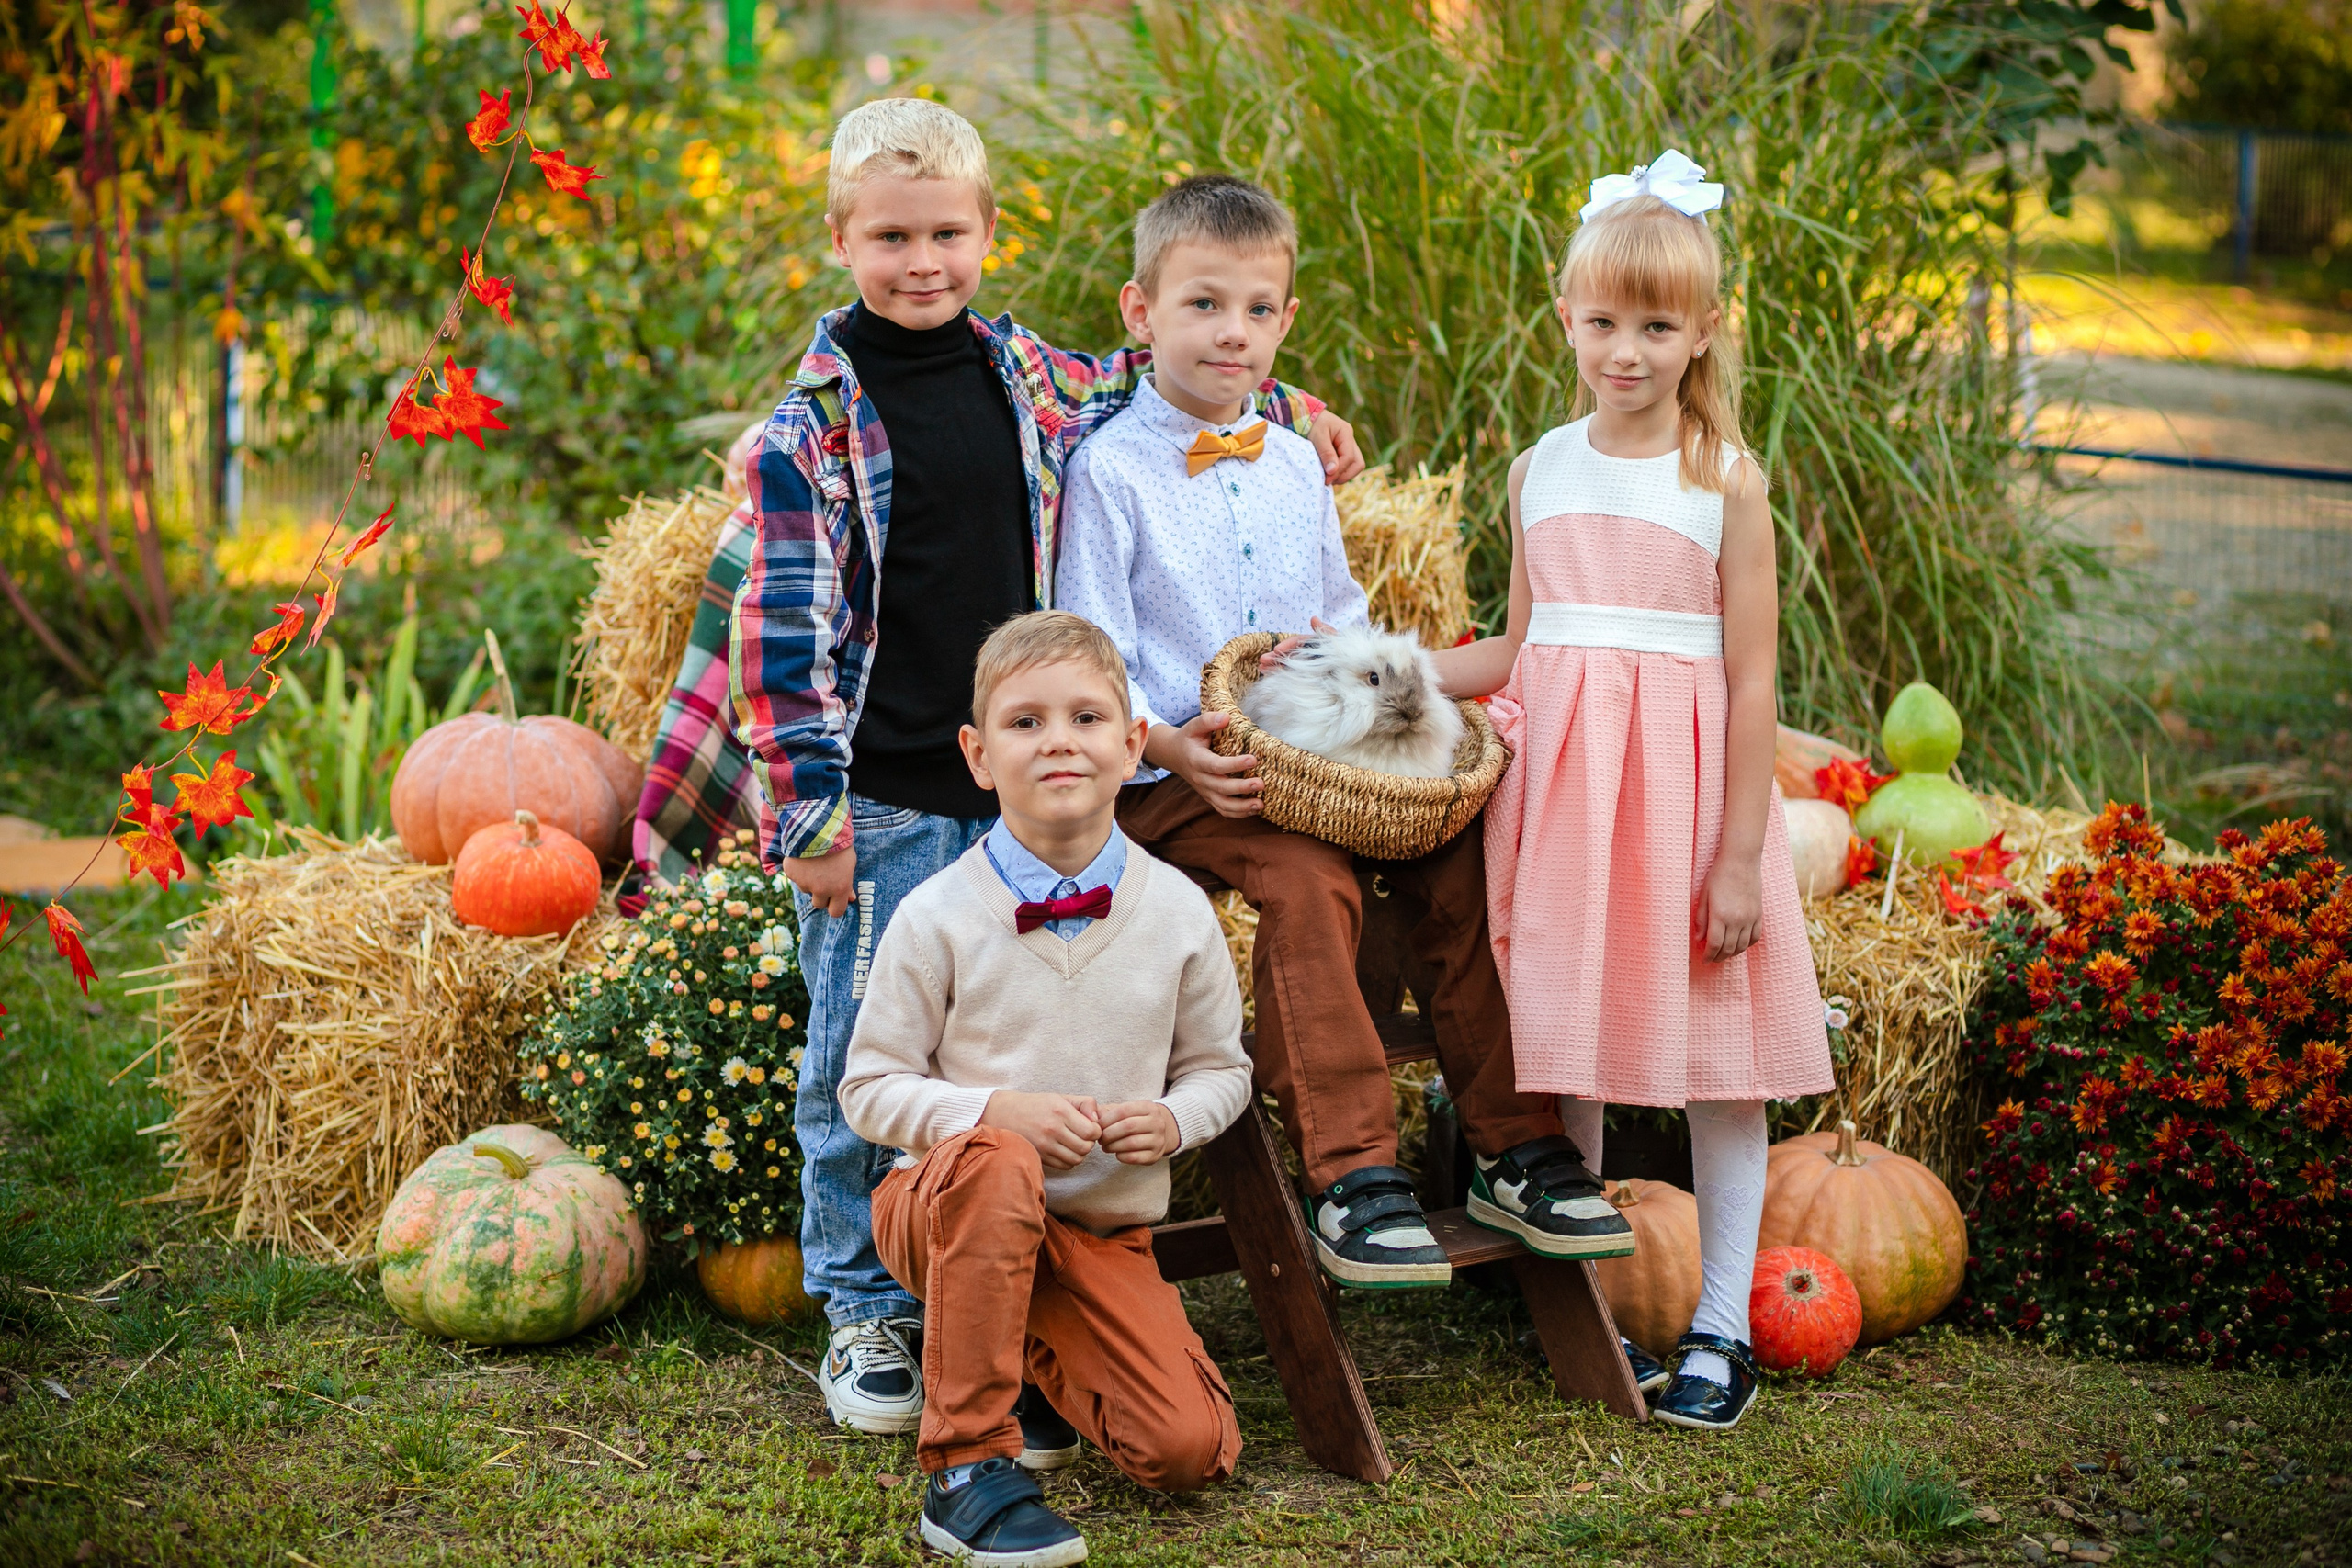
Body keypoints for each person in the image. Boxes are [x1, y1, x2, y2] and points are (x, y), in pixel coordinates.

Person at [729, 99, 1363, 1436]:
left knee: (1015, 1029)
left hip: (1032, 785)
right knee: (865, 1041)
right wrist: (811, 812)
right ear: (841, 238)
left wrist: (1298, 409)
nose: (922, 262)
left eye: (947, 233)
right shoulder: (809, 430)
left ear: (986, 234)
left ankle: (1006, 1279)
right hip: (892, 790)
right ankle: (865, 1308)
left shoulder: (1027, 371)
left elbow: (1176, 364)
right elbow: (780, 635)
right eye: (890, 236)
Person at [1056, 174, 1636, 1292]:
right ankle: (1349, 1174)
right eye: (1204, 305)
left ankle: (1514, 1145)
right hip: (1188, 779)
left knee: (1462, 852)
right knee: (1305, 873)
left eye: (1259, 309)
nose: (1234, 332)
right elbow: (1094, 656)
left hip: (1316, 762)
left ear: (1287, 319)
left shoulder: (1289, 463)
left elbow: (1341, 618)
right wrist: (1173, 749)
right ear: (1140, 313)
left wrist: (1390, 717)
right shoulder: (1108, 471)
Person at [1433, 152, 1835, 1431]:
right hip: (1562, 800)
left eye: (1658, 325)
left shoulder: (1727, 480)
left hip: (1685, 801)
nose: (1627, 349)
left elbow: (1755, 675)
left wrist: (1735, 856)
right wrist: (1377, 673)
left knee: (1722, 1060)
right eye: (1603, 321)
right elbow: (1520, 646)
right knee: (1574, 1050)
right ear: (1566, 314)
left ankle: (1719, 1322)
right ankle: (1587, 1304)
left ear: (1704, 329)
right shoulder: (1540, 466)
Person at [839, 612, 1252, 1567]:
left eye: (1085, 717)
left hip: (1096, 1233)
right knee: (995, 1161)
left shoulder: (1178, 912)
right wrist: (989, 1112)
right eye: (1025, 724)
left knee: (1187, 1450)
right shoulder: (936, 913)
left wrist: (1174, 1119)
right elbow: (868, 1087)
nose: (1058, 739)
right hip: (944, 1210)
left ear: (1133, 744)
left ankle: (1028, 1356)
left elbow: (1222, 1070)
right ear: (979, 758)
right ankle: (967, 1470)